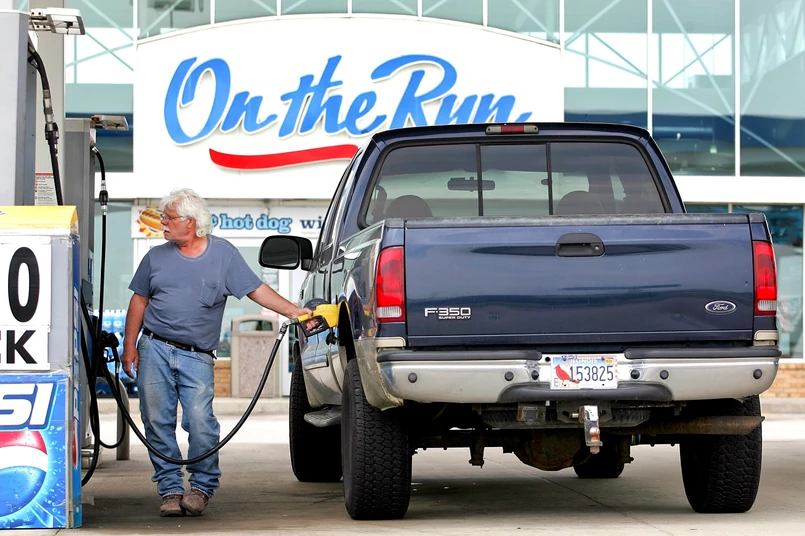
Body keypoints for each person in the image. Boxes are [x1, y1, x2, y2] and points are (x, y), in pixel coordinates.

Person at [121, 188, 313, 517]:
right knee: (156, 421)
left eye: (169, 217)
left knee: (200, 422)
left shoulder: (224, 254)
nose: (163, 222)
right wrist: (129, 346)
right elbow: (139, 300)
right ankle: (170, 489)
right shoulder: (155, 257)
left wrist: (295, 311)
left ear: (191, 222)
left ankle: (201, 487)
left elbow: (256, 290)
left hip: (197, 355)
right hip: (154, 347)